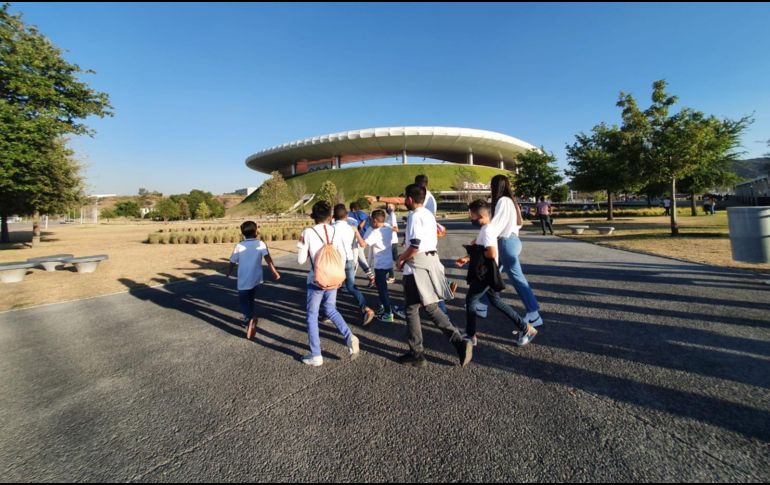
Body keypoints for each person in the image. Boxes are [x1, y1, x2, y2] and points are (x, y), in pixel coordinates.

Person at [396, 184, 473, 368]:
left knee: (411, 309)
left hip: (417, 266)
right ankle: (459, 342)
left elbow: (415, 244)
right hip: (431, 261)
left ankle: (417, 353)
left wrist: (401, 259)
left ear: (409, 199)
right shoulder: (429, 215)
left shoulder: (414, 216)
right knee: (431, 308)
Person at [456, 200, 538, 347]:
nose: (471, 218)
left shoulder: (487, 230)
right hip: (488, 271)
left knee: (471, 301)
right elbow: (483, 250)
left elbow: (492, 252)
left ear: (480, 215)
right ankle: (527, 328)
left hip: (485, 272)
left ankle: (470, 334)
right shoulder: (487, 228)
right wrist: (468, 257)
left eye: (472, 215)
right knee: (496, 301)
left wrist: (475, 253)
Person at [297, 201, 360, 367]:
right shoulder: (335, 230)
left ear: (314, 216)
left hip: (316, 279)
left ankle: (316, 354)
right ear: (330, 216)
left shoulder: (308, 232)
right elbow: (342, 254)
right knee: (331, 308)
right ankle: (349, 336)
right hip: (334, 276)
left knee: (312, 315)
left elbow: (301, 260)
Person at [488, 175, 544, 329]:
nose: (489, 188)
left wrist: (482, 238)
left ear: (496, 186)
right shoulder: (510, 201)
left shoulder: (503, 201)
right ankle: (480, 304)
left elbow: (495, 225)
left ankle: (533, 313)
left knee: (516, 277)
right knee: (491, 274)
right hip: (508, 241)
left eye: (491, 185)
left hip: (506, 242)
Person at [227, 221, 281, 341]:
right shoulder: (261, 243)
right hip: (256, 278)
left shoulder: (239, 245)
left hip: (243, 278)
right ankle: (250, 317)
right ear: (256, 231)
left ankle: (248, 320)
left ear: (243, 233)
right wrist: (274, 271)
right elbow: (268, 258)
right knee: (250, 297)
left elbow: (232, 261)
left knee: (243, 300)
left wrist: (229, 272)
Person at [332, 204, 376, 326]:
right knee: (351, 286)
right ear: (346, 216)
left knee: (332, 287)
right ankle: (365, 308)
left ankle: (328, 313)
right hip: (349, 259)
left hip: (337, 261)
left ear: (334, 216)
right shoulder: (350, 228)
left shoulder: (331, 228)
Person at [362, 209, 402, 323]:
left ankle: (388, 313)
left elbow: (363, 244)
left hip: (380, 265)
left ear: (375, 221)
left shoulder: (376, 233)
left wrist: (355, 232)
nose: (369, 222)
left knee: (382, 289)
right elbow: (392, 227)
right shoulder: (388, 227)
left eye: (370, 220)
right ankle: (384, 307)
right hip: (388, 263)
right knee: (382, 287)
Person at [349, 202, 376, 288]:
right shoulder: (361, 213)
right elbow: (366, 218)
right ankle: (372, 277)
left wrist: (360, 226)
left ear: (352, 209)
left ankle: (350, 282)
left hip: (357, 238)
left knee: (355, 260)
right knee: (360, 259)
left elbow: (364, 219)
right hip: (361, 238)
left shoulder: (355, 213)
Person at [386, 203, 399, 284]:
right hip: (392, 241)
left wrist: (384, 226)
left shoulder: (392, 215)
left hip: (392, 241)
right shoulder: (389, 216)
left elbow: (396, 229)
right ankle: (411, 270)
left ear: (394, 207)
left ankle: (391, 277)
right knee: (395, 258)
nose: (388, 208)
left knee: (389, 259)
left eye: (390, 206)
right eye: (387, 206)